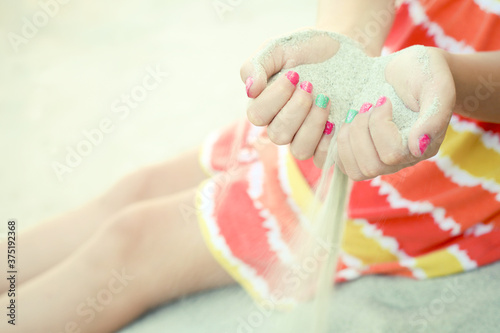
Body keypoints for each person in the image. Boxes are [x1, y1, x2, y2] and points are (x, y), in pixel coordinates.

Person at [1, 0, 499, 332]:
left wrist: (451, 78)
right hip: (349, 87)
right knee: (135, 190)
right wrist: (345, 43)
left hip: (415, 167)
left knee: (126, 246)